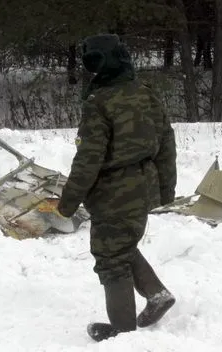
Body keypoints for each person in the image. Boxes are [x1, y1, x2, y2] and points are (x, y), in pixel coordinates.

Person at [57, 33, 177, 342]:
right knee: (120, 245)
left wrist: (67, 201)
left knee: (111, 259)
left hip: (113, 192)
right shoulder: (146, 93)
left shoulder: (100, 103)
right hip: (144, 186)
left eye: (94, 61)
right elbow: (166, 145)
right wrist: (165, 189)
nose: (92, 68)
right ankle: (156, 294)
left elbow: (88, 158)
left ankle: (123, 336)